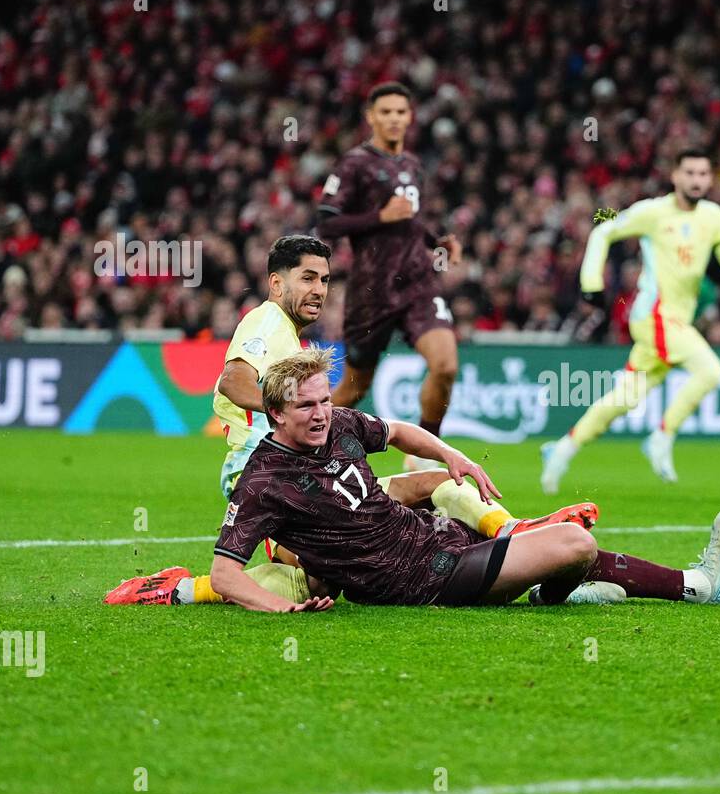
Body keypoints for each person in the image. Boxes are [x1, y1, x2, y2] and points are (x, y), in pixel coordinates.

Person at [105, 235, 595, 607]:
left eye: (324, 280)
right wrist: (287, 410)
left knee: (403, 502)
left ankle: (511, 530)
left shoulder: (287, 333)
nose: (319, 289)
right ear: (276, 283)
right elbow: (232, 382)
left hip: (300, 467)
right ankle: (182, 590)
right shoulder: (266, 322)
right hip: (273, 471)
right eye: (307, 278)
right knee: (324, 569)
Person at [210, 348, 720, 612]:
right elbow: (227, 572)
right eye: (307, 406)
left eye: (326, 399)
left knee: (550, 545)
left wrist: (451, 454)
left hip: (432, 540)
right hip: (419, 579)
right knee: (574, 541)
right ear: (275, 413)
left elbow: (396, 432)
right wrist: (285, 608)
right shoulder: (262, 482)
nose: (323, 413)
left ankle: (693, 586)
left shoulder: (339, 425)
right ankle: (554, 592)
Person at [541, 149, 720, 493]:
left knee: (625, 398)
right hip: (654, 314)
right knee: (711, 371)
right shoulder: (653, 212)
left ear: (710, 179)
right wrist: (591, 284)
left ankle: (562, 448)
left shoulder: (715, 216)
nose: (697, 180)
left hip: (676, 321)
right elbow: (602, 232)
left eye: (703, 174)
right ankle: (662, 436)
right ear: (675, 175)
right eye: (690, 173)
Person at [317, 81, 460, 471]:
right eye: (386, 112)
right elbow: (326, 222)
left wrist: (439, 240)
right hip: (371, 290)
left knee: (445, 364)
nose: (394, 119)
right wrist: (379, 216)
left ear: (410, 117)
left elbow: (412, 221)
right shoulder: (355, 164)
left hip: (417, 283)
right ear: (371, 117)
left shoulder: (413, 165)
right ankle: (292, 448)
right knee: (353, 389)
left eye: (401, 112)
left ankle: (423, 453)